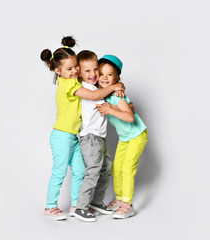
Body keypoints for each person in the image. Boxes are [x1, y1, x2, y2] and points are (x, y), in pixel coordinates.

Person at [40, 38, 125, 220]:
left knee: (80, 171)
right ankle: (50, 206)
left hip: (75, 136)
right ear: (57, 70)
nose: (74, 71)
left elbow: (93, 76)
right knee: (60, 171)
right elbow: (94, 95)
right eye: (69, 69)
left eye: (75, 67)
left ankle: (77, 205)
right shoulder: (68, 84)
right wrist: (114, 86)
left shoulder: (77, 80)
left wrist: (118, 84)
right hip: (62, 135)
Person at [96, 55, 148, 219]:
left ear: (116, 78)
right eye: (102, 74)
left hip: (137, 135)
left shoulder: (118, 96)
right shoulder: (104, 93)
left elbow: (130, 117)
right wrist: (118, 86)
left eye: (109, 75)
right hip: (125, 137)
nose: (104, 78)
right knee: (117, 167)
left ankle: (127, 204)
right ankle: (119, 198)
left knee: (127, 168)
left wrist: (110, 109)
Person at [73, 50, 113, 222]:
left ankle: (96, 201)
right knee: (92, 172)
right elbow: (97, 96)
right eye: (87, 71)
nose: (93, 74)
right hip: (90, 137)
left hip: (100, 137)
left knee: (106, 169)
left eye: (95, 69)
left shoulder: (97, 88)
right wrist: (114, 87)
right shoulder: (84, 89)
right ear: (80, 73)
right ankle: (81, 207)